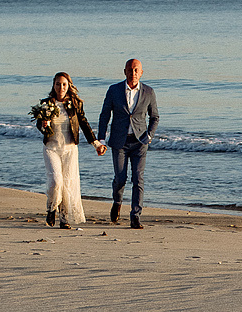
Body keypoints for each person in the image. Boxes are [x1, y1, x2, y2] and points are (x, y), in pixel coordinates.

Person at [32, 72, 102, 228]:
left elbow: (84, 124)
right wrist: (43, 125)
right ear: (53, 85)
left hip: (70, 149)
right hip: (51, 148)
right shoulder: (46, 104)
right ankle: (51, 208)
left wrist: (96, 144)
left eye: (64, 84)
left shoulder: (75, 104)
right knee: (56, 182)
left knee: (68, 184)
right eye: (58, 84)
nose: (61, 87)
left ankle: (64, 219)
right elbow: (39, 125)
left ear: (69, 85)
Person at [96, 58, 159, 227]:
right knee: (120, 178)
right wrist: (100, 140)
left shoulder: (148, 92)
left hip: (140, 142)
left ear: (142, 72)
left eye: (136, 70)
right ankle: (117, 203)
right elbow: (104, 116)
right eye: (130, 70)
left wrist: (149, 136)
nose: (133, 73)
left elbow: (155, 117)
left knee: (138, 178)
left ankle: (135, 215)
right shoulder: (114, 90)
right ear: (124, 71)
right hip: (119, 142)